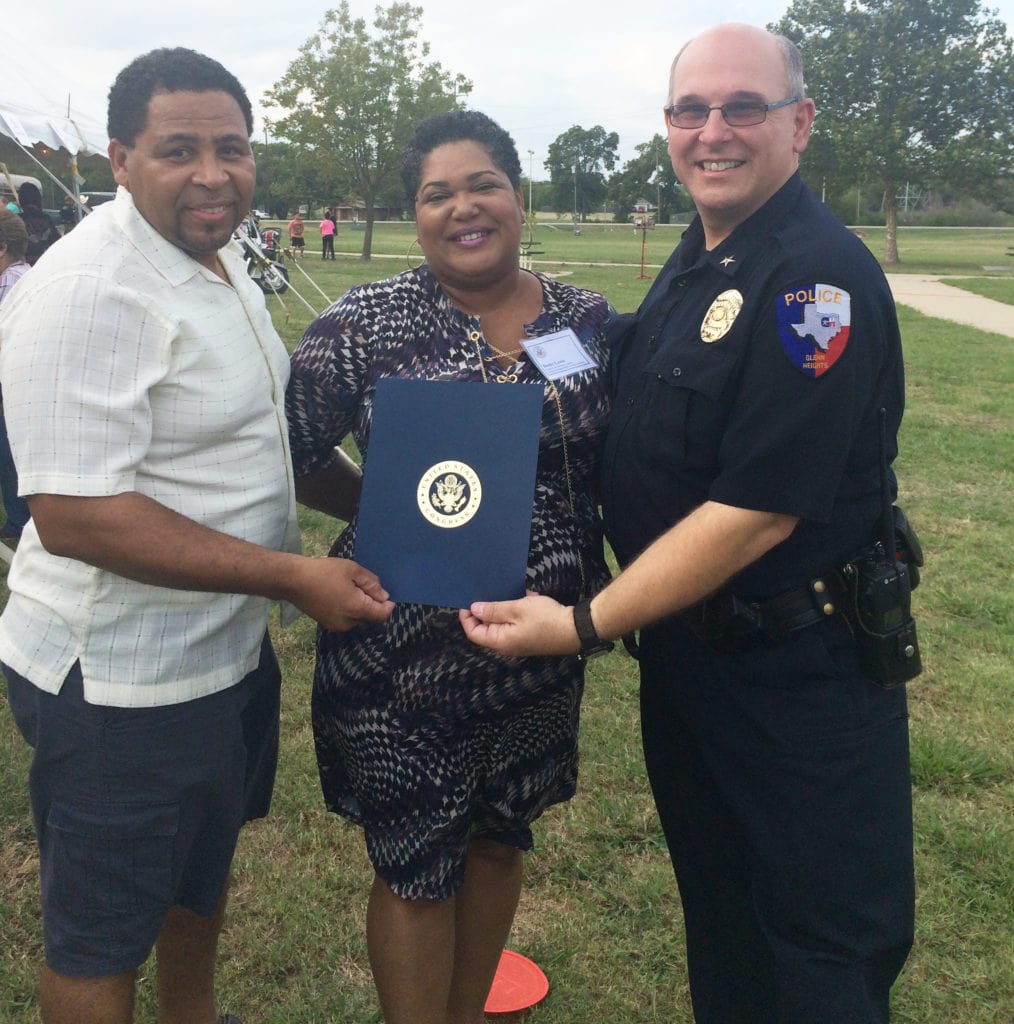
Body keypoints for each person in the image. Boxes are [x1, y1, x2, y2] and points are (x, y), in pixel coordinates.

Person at [462, 23, 915, 1024]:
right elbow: (609, 370)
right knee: (725, 925)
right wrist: (493, 336)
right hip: (697, 672)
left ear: (799, 124)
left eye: (742, 107)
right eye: (690, 110)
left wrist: (580, 625)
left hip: (801, 681)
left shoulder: (813, 284)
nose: (713, 131)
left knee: (817, 951)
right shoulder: (705, 255)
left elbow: (754, 515)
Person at [0, 46, 394, 1024]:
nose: (214, 171)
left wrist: (393, 513)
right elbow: (75, 513)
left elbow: (264, 447)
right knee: (101, 934)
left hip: (219, 658)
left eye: (233, 147)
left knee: (194, 890)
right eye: (181, 149)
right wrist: (296, 576)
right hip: (120, 683)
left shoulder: (224, 265)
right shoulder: (91, 286)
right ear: (119, 157)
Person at [286, 109, 612, 1024]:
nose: (464, 208)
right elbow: (296, 447)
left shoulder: (587, 323)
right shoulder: (364, 324)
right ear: (414, 214)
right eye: (438, 194)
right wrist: (381, 510)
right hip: (402, 651)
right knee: (416, 865)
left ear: (517, 195)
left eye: (484, 186)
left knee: (499, 842)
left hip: (535, 651)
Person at [0, 208, 32, 543]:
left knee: (9, 457)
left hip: (12, 384)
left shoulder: (12, 281)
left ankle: (19, 522)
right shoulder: (20, 275)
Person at [17, 182, 61, 265]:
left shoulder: (17, 220)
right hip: (44, 264)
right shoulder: (46, 219)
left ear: (21, 200)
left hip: (24, 265)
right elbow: (56, 242)